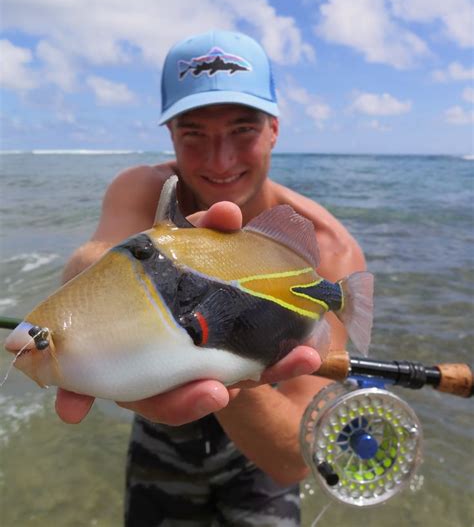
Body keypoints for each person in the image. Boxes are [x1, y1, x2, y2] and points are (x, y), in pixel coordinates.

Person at [56, 30, 366, 526]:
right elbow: (95, 255)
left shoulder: (328, 249)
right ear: (171, 135)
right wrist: (91, 287)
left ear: (274, 129)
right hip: (161, 436)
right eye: (194, 133)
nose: (220, 161)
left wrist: (226, 358)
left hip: (257, 452)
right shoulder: (149, 192)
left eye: (243, 129)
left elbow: (290, 458)